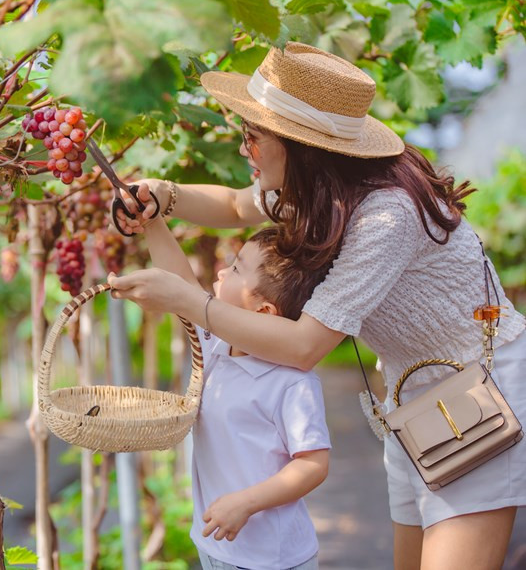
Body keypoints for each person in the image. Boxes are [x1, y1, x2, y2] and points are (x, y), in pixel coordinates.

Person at [107, 42, 526, 569]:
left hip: (476, 395)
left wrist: (190, 300)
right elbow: (237, 205)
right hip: (412, 396)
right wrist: (162, 195)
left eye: (252, 138)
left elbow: (305, 346)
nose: (243, 151)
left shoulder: (384, 216)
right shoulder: (322, 194)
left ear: (300, 147)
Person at [146, 215, 331, 570]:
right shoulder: (216, 346)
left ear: (262, 312)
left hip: (271, 559)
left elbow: (313, 465)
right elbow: (181, 285)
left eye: (234, 269)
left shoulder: (291, 382)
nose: (220, 273)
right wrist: (151, 221)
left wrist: (246, 502)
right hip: (216, 546)